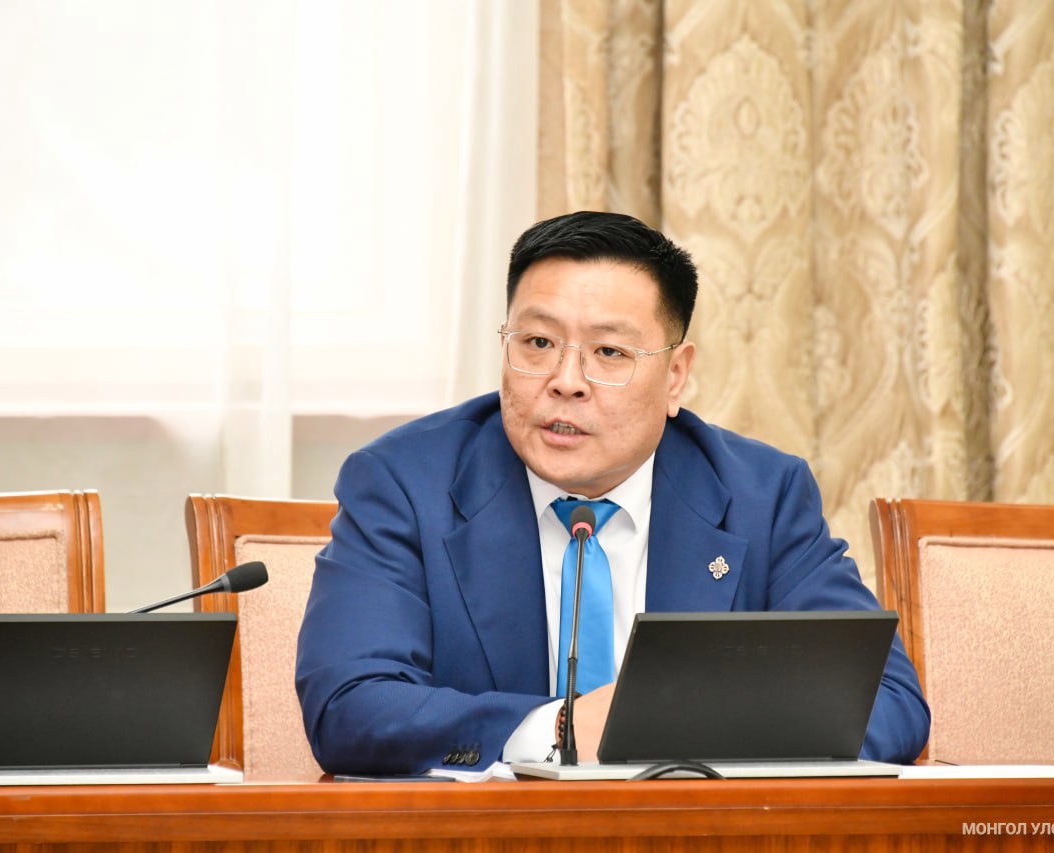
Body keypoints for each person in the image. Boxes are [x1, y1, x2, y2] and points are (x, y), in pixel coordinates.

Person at [295, 211, 930, 774]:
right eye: (538, 343)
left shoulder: (761, 497)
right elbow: (350, 706)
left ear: (675, 375)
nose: (566, 381)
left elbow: (889, 705)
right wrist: (556, 730)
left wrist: (664, 731)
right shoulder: (405, 485)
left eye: (608, 352)